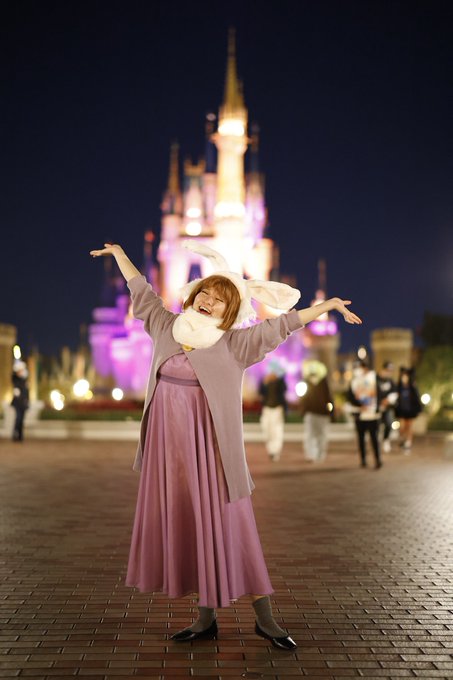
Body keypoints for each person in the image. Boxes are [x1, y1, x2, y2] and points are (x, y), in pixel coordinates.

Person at [90, 241, 361, 650]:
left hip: (212, 453)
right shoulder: (167, 326)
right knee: (191, 526)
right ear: (193, 294)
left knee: (233, 527)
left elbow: (281, 326)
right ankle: (205, 620)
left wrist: (328, 307)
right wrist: (120, 256)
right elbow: (142, 292)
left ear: (231, 312)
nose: (208, 301)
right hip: (170, 453)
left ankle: (265, 619)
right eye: (205, 293)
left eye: (220, 300)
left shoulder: (235, 344)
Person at [347, 361, 383, 469]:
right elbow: (350, 396)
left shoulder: (374, 378)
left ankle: (377, 459)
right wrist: (359, 405)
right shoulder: (354, 381)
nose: (358, 370)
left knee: (374, 437)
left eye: (360, 368)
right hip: (359, 413)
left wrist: (377, 408)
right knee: (361, 438)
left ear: (365, 368)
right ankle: (363, 460)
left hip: (372, 414)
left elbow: (379, 394)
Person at [299, 360, 333, 463]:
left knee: (314, 434)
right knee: (317, 435)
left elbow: (327, 397)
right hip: (317, 413)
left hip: (316, 413)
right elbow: (328, 397)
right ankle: (315, 455)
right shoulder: (311, 382)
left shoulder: (317, 382)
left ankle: (315, 455)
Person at [259, 364, 287, 462]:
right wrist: (264, 383)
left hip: (277, 409)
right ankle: (271, 449)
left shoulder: (280, 382)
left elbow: (284, 391)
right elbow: (260, 393)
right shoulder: (265, 381)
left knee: (277, 431)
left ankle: (275, 451)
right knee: (267, 429)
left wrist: (280, 377)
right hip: (267, 409)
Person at [395, 367, 422, 452]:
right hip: (401, 410)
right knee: (402, 427)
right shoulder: (399, 387)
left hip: (410, 411)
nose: (404, 378)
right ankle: (403, 439)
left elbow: (417, 399)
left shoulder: (412, 387)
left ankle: (408, 442)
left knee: (409, 426)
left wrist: (418, 409)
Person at [376, 361, 398, 453]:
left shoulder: (391, 381)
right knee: (376, 426)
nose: (389, 372)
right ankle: (376, 443)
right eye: (387, 370)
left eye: (390, 371)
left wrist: (388, 400)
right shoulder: (376, 379)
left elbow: (395, 393)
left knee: (389, 424)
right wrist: (380, 402)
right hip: (377, 407)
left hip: (387, 407)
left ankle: (386, 440)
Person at [11, 361, 29, 442]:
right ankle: (15, 434)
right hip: (18, 403)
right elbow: (16, 391)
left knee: (22, 419)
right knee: (18, 418)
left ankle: (20, 436)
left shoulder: (24, 380)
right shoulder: (15, 379)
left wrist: (27, 401)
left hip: (23, 403)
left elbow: (26, 392)